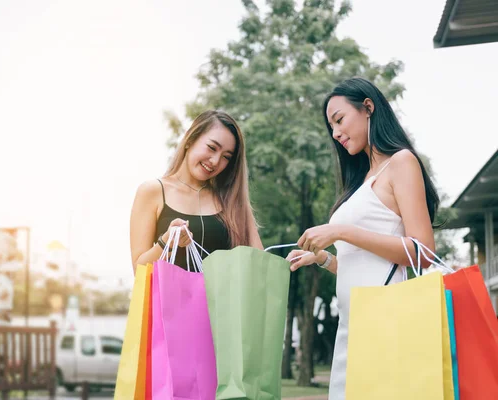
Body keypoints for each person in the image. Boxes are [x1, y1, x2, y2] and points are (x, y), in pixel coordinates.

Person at [286, 77, 440, 400]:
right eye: (331, 127)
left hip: (385, 323)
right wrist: (324, 259)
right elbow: (365, 266)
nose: (336, 133)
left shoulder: (401, 163)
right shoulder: (361, 182)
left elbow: (423, 251)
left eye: (339, 120)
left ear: (368, 107)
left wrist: (341, 231)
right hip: (352, 326)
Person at [130, 110, 263, 273]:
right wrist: (167, 242)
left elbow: (259, 263)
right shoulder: (152, 191)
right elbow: (139, 269)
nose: (215, 161)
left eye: (226, 157)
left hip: (223, 299)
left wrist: (292, 261)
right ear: (189, 139)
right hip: (170, 298)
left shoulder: (232, 199)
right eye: (212, 147)